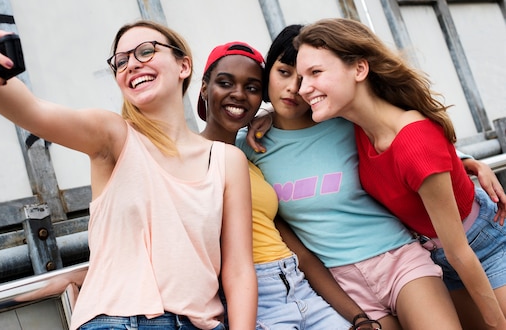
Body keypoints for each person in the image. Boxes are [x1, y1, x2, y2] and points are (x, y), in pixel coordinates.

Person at [0, 20, 257, 330]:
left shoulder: (227, 160)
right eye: (120, 61)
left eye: (146, 51)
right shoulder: (113, 136)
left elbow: (239, 270)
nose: (131, 64)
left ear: (183, 65)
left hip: (202, 323)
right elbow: (32, 111)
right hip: (119, 320)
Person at [238, 24, 463, 330]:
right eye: (284, 72)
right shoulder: (250, 146)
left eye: (306, 77)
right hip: (339, 284)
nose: (294, 88)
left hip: (397, 258)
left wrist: (468, 161)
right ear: (268, 75)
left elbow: (407, 140)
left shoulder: (345, 122)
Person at [294, 17, 506, 330]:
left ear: (359, 69)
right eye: (300, 77)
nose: (302, 89)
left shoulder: (414, 142)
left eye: (315, 73)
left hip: (477, 248)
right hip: (435, 258)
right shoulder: (357, 125)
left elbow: (460, 251)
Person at [197, 41, 372, 329]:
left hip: (299, 287)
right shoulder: (187, 158)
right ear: (204, 87)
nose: (239, 94)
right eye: (225, 83)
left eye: (252, 88)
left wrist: (358, 318)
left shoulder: (250, 159)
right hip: (252, 299)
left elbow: (298, 252)